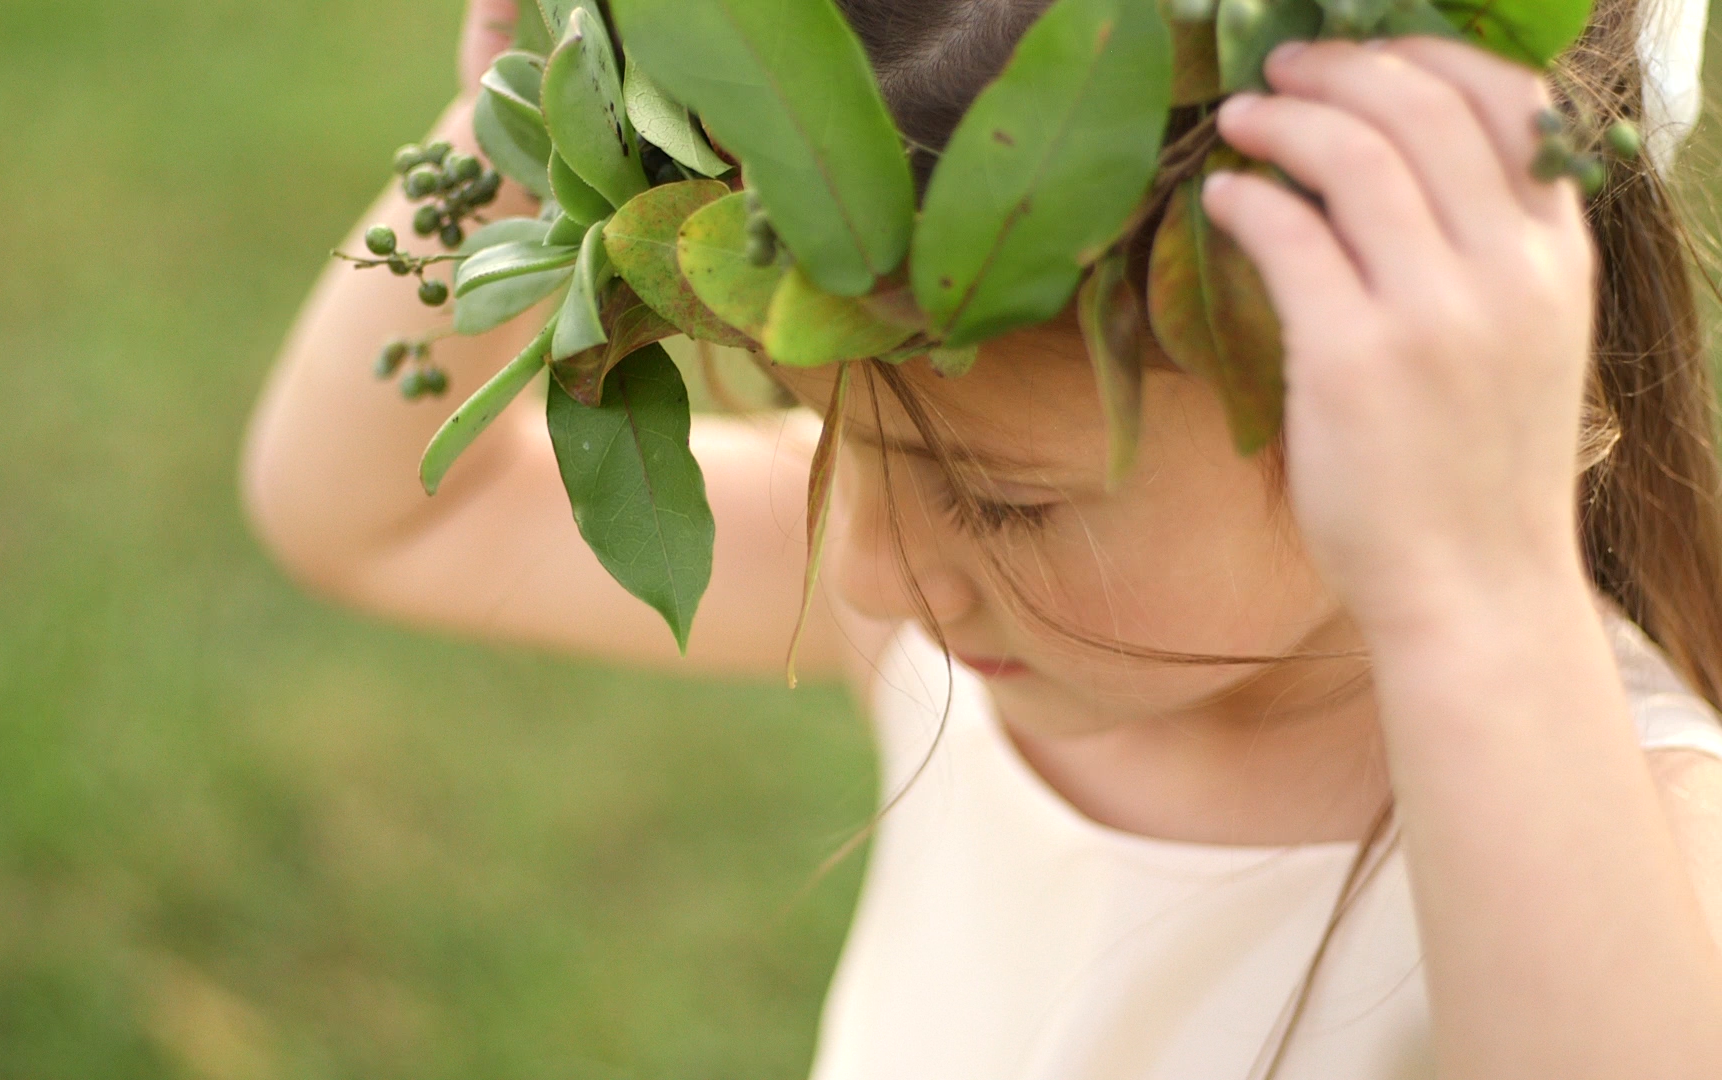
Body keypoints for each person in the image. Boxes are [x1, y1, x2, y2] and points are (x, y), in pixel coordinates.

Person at [240, 0, 1722, 1075]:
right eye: (833, 435)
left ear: (1406, 372)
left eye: (1006, 498)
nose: (872, 565)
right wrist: (526, 111)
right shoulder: (957, 615)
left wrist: (1475, 594)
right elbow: (365, 518)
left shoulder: (1617, 832)